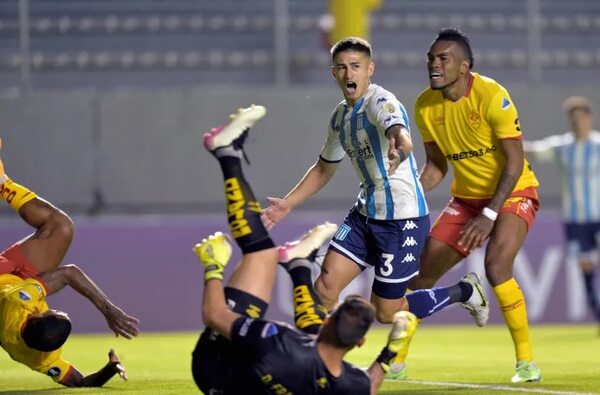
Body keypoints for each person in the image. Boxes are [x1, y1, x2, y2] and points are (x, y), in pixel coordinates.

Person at [261, 36, 488, 345]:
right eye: (342, 67)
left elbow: (399, 131)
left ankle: (465, 291)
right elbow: (324, 167)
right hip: (365, 215)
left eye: (356, 66)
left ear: (370, 69)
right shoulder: (340, 117)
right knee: (325, 287)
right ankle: (324, 361)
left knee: (386, 312)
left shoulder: (381, 102)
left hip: (401, 220)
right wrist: (288, 203)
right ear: (333, 73)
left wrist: (401, 146)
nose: (349, 74)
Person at [192, 104, 417, 395]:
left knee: (262, 254)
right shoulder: (348, 384)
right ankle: (298, 265)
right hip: (247, 382)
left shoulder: (279, 342)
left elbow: (214, 315)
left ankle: (227, 154)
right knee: (310, 345)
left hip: (215, 366)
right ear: (359, 343)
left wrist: (213, 267)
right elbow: (370, 386)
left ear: (328, 317)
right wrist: (390, 353)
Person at [403, 27, 542, 383]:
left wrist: (490, 214)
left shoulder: (493, 96)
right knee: (420, 275)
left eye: (443, 59)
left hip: (513, 193)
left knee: (497, 266)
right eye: (431, 58)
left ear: (464, 67)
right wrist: (407, 192)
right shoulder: (424, 106)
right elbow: (436, 166)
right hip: (466, 200)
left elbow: (514, 162)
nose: (434, 64)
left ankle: (526, 363)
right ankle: (396, 360)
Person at [0, 138, 140, 386]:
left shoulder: (20, 302)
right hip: (17, 281)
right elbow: (81, 383)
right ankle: (3, 185)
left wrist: (109, 310)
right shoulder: (41, 359)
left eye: (54, 312)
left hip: (7, 278)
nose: (53, 308)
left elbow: (68, 274)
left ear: (34, 317)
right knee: (60, 228)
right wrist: (109, 369)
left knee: (59, 231)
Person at [524, 96, 600, 326]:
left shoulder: (598, 145)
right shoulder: (562, 147)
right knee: (586, 269)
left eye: (581, 117)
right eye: (573, 118)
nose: (578, 122)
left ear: (589, 118)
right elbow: (532, 150)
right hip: (575, 220)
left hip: (599, 216)